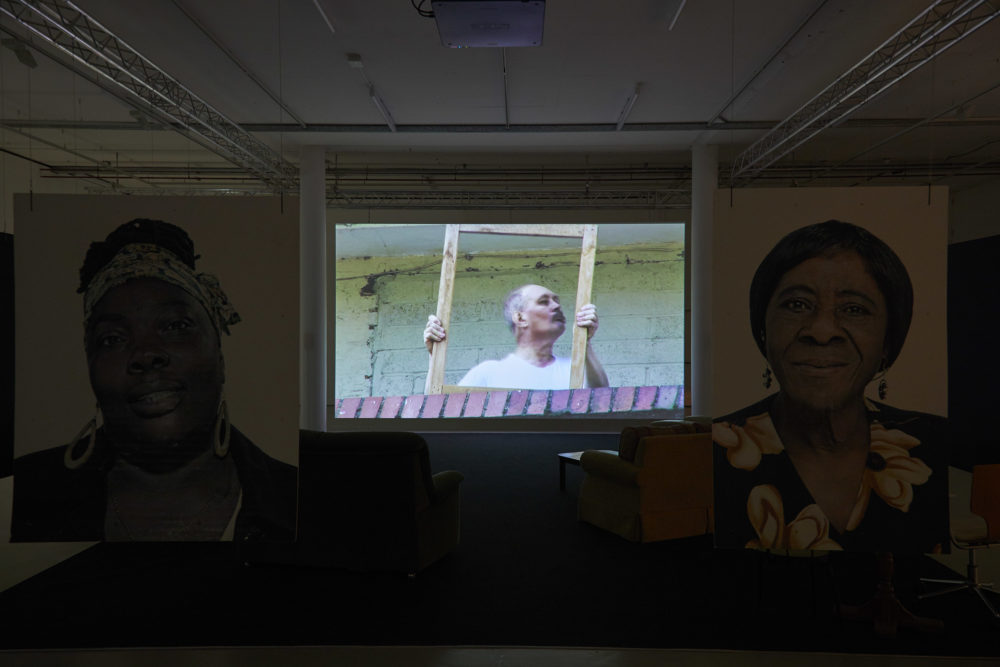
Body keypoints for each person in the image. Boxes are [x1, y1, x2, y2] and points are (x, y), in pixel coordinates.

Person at [11, 219, 297, 542]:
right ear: (89, 365)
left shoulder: (296, 501)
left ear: (219, 354)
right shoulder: (22, 496)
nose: (146, 354)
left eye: (175, 326)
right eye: (113, 339)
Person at [712, 220, 948, 553]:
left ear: (887, 341)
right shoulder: (711, 452)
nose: (821, 332)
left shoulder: (934, 444)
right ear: (763, 328)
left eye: (853, 309)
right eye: (796, 304)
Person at [423, 283, 609, 390]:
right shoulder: (489, 373)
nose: (556, 306)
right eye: (544, 302)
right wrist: (435, 355)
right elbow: (436, 409)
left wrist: (586, 340)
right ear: (520, 318)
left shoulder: (573, 370)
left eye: (556, 301)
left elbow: (602, 400)